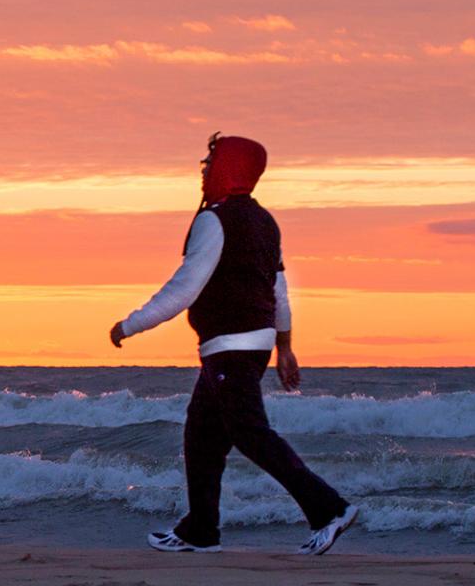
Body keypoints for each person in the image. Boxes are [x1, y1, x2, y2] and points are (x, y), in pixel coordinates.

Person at [109, 133, 358, 555]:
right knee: (202, 435)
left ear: (230, 167)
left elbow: (184, 287)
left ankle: (329, 508)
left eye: (211, 160)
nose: (203, 168)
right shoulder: (265, 221)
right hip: (251, 344)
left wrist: (131, 324)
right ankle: (200, 531)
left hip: (230, 344)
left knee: (250, 433)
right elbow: (279, 291)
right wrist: (285, 347)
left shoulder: (216, 220)